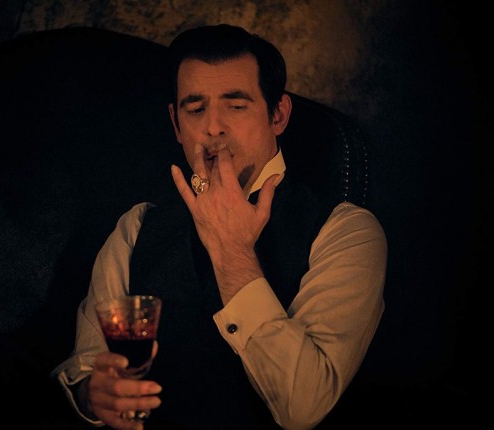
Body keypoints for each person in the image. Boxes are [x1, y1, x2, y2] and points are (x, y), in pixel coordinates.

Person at [51, 24, 387, 430]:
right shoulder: (136, 227)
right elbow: (87, 365)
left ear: (277, 115)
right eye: (195, 110)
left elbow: (302, 408)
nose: (213, 127)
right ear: (176, 125)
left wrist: (233, 254)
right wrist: (92, 394)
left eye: (236, 105)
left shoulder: (346, 231)